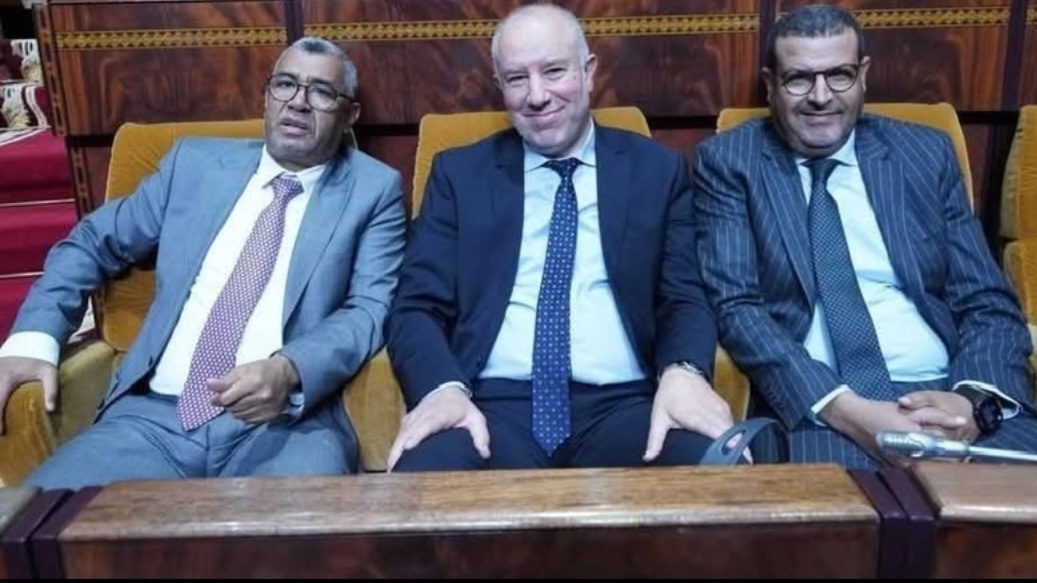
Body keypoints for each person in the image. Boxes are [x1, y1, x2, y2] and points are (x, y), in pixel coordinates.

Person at [0, 37, 407, 488]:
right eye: (285, 84)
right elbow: (92, 242)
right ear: (267, 96)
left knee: (298, 529)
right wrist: (32, 339)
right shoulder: (193, 165)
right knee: (42, 519)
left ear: (350, 114)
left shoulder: (373, 190)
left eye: (322, 92)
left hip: (286, 428)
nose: (297, 102)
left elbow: (370, 309)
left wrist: (289, 369)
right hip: (150, 422)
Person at [385, 4, 733, 472]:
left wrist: (683, 371)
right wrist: (440, 389)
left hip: (627, 405)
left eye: (553, 71)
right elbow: (416, 306)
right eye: (517, 78)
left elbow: (684, 298)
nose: (536, 95)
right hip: (488, 405)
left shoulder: (656, 170)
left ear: (588, 72)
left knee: (717, 472)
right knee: (421, 481)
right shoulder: (460, 175)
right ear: (499, 86)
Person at [693, 3, 1037, 469]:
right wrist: (850, 412)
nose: (821, 96)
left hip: (946, 391)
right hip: (820, 406)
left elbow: (986, 300)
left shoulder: (923, 154)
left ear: (863, 76)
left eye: (839, 75)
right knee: (840, 513)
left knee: (1014, 504)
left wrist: (971, 401)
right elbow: (737, 308)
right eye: (799, 79)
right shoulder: (731, 161)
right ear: (771, 84)